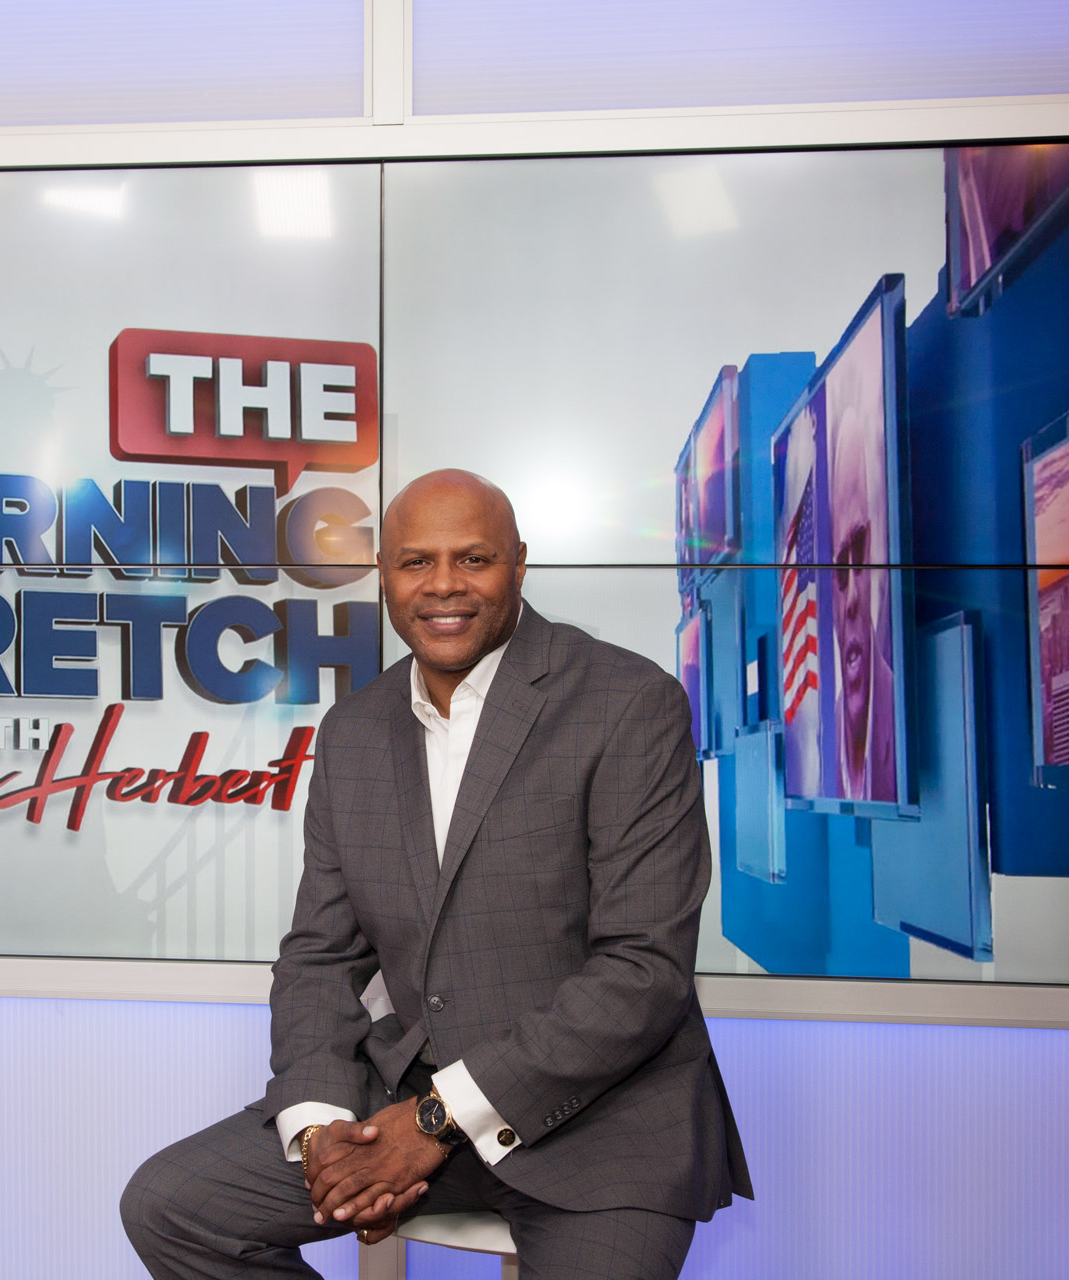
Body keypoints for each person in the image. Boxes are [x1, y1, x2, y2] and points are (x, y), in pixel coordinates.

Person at [122, 469, 750, 1279]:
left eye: (473, 559)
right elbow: (321, 958)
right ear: (384, 574)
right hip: (409, 1105)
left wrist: (433, 1120)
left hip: (604, 1127)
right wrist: (321, 1135)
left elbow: (643, 971)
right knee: (172, 1206)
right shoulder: (354, 732)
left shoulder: (628, 703)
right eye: (416, 562)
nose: (443, 585)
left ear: (518, 565)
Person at [825, 345, 897, 804]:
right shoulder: (825, 740)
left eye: (861, 555)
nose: (852, 596)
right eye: (838, 569)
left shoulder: (899, 712)